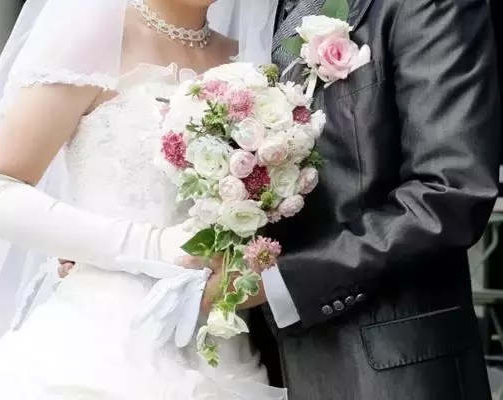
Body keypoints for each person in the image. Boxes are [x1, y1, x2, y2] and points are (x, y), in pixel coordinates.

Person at [0, 0, 288, 399]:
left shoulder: (251, 64)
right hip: (98, 342)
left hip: (223, 348)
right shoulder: (94, 37)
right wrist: (153, 246)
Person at [183, 0, 502, 398]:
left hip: (388, 370)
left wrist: (281, 281)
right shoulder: (254, 11)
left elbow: (450, 193)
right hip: (246, 364)